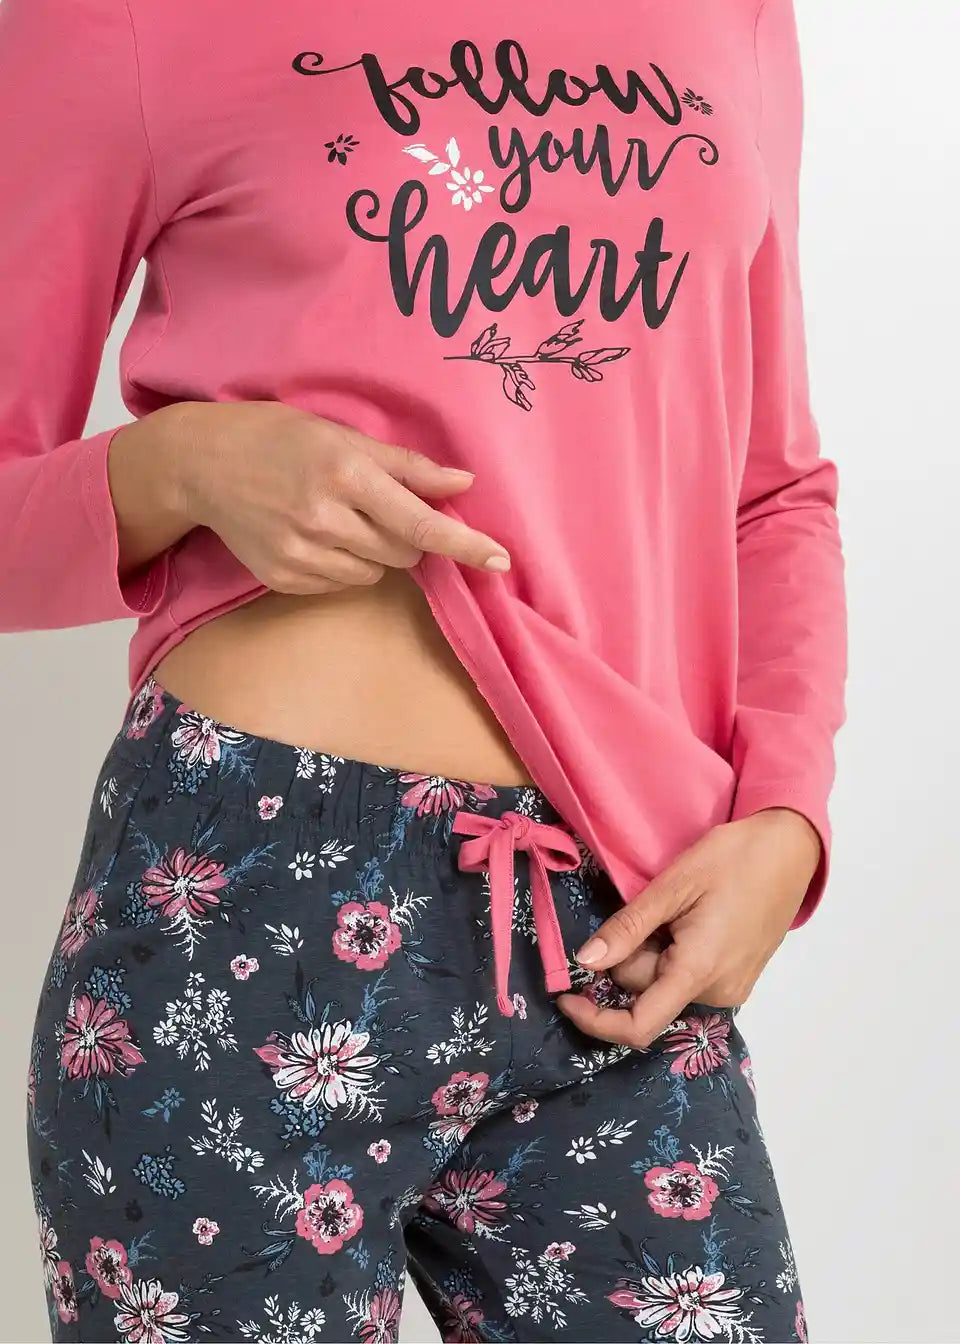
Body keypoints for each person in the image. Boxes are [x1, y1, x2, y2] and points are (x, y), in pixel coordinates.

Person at [2, 0, 846, 1340]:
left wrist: (787, 818)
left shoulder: (730, 19)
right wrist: (177, 468)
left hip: (616, 913)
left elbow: (772, 490)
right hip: (244, 900)